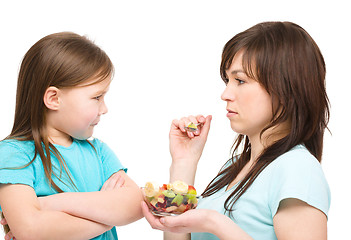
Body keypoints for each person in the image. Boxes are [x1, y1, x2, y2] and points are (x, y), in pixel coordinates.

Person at [141, 21, 331, 240]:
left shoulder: (298, 169)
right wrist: (184, 163)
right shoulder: (233, 168)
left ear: (286, 89)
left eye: (240, 80)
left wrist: (214, 223)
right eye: (228, 80)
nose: (225, 94)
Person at [0, 32, 143, 240]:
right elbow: (30, 229)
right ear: (53, 98)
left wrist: (53, 204)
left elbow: (136, 205)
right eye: (97, 97)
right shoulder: (14, 155)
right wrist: (108, 210)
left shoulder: (99, 152)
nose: (104, 109)